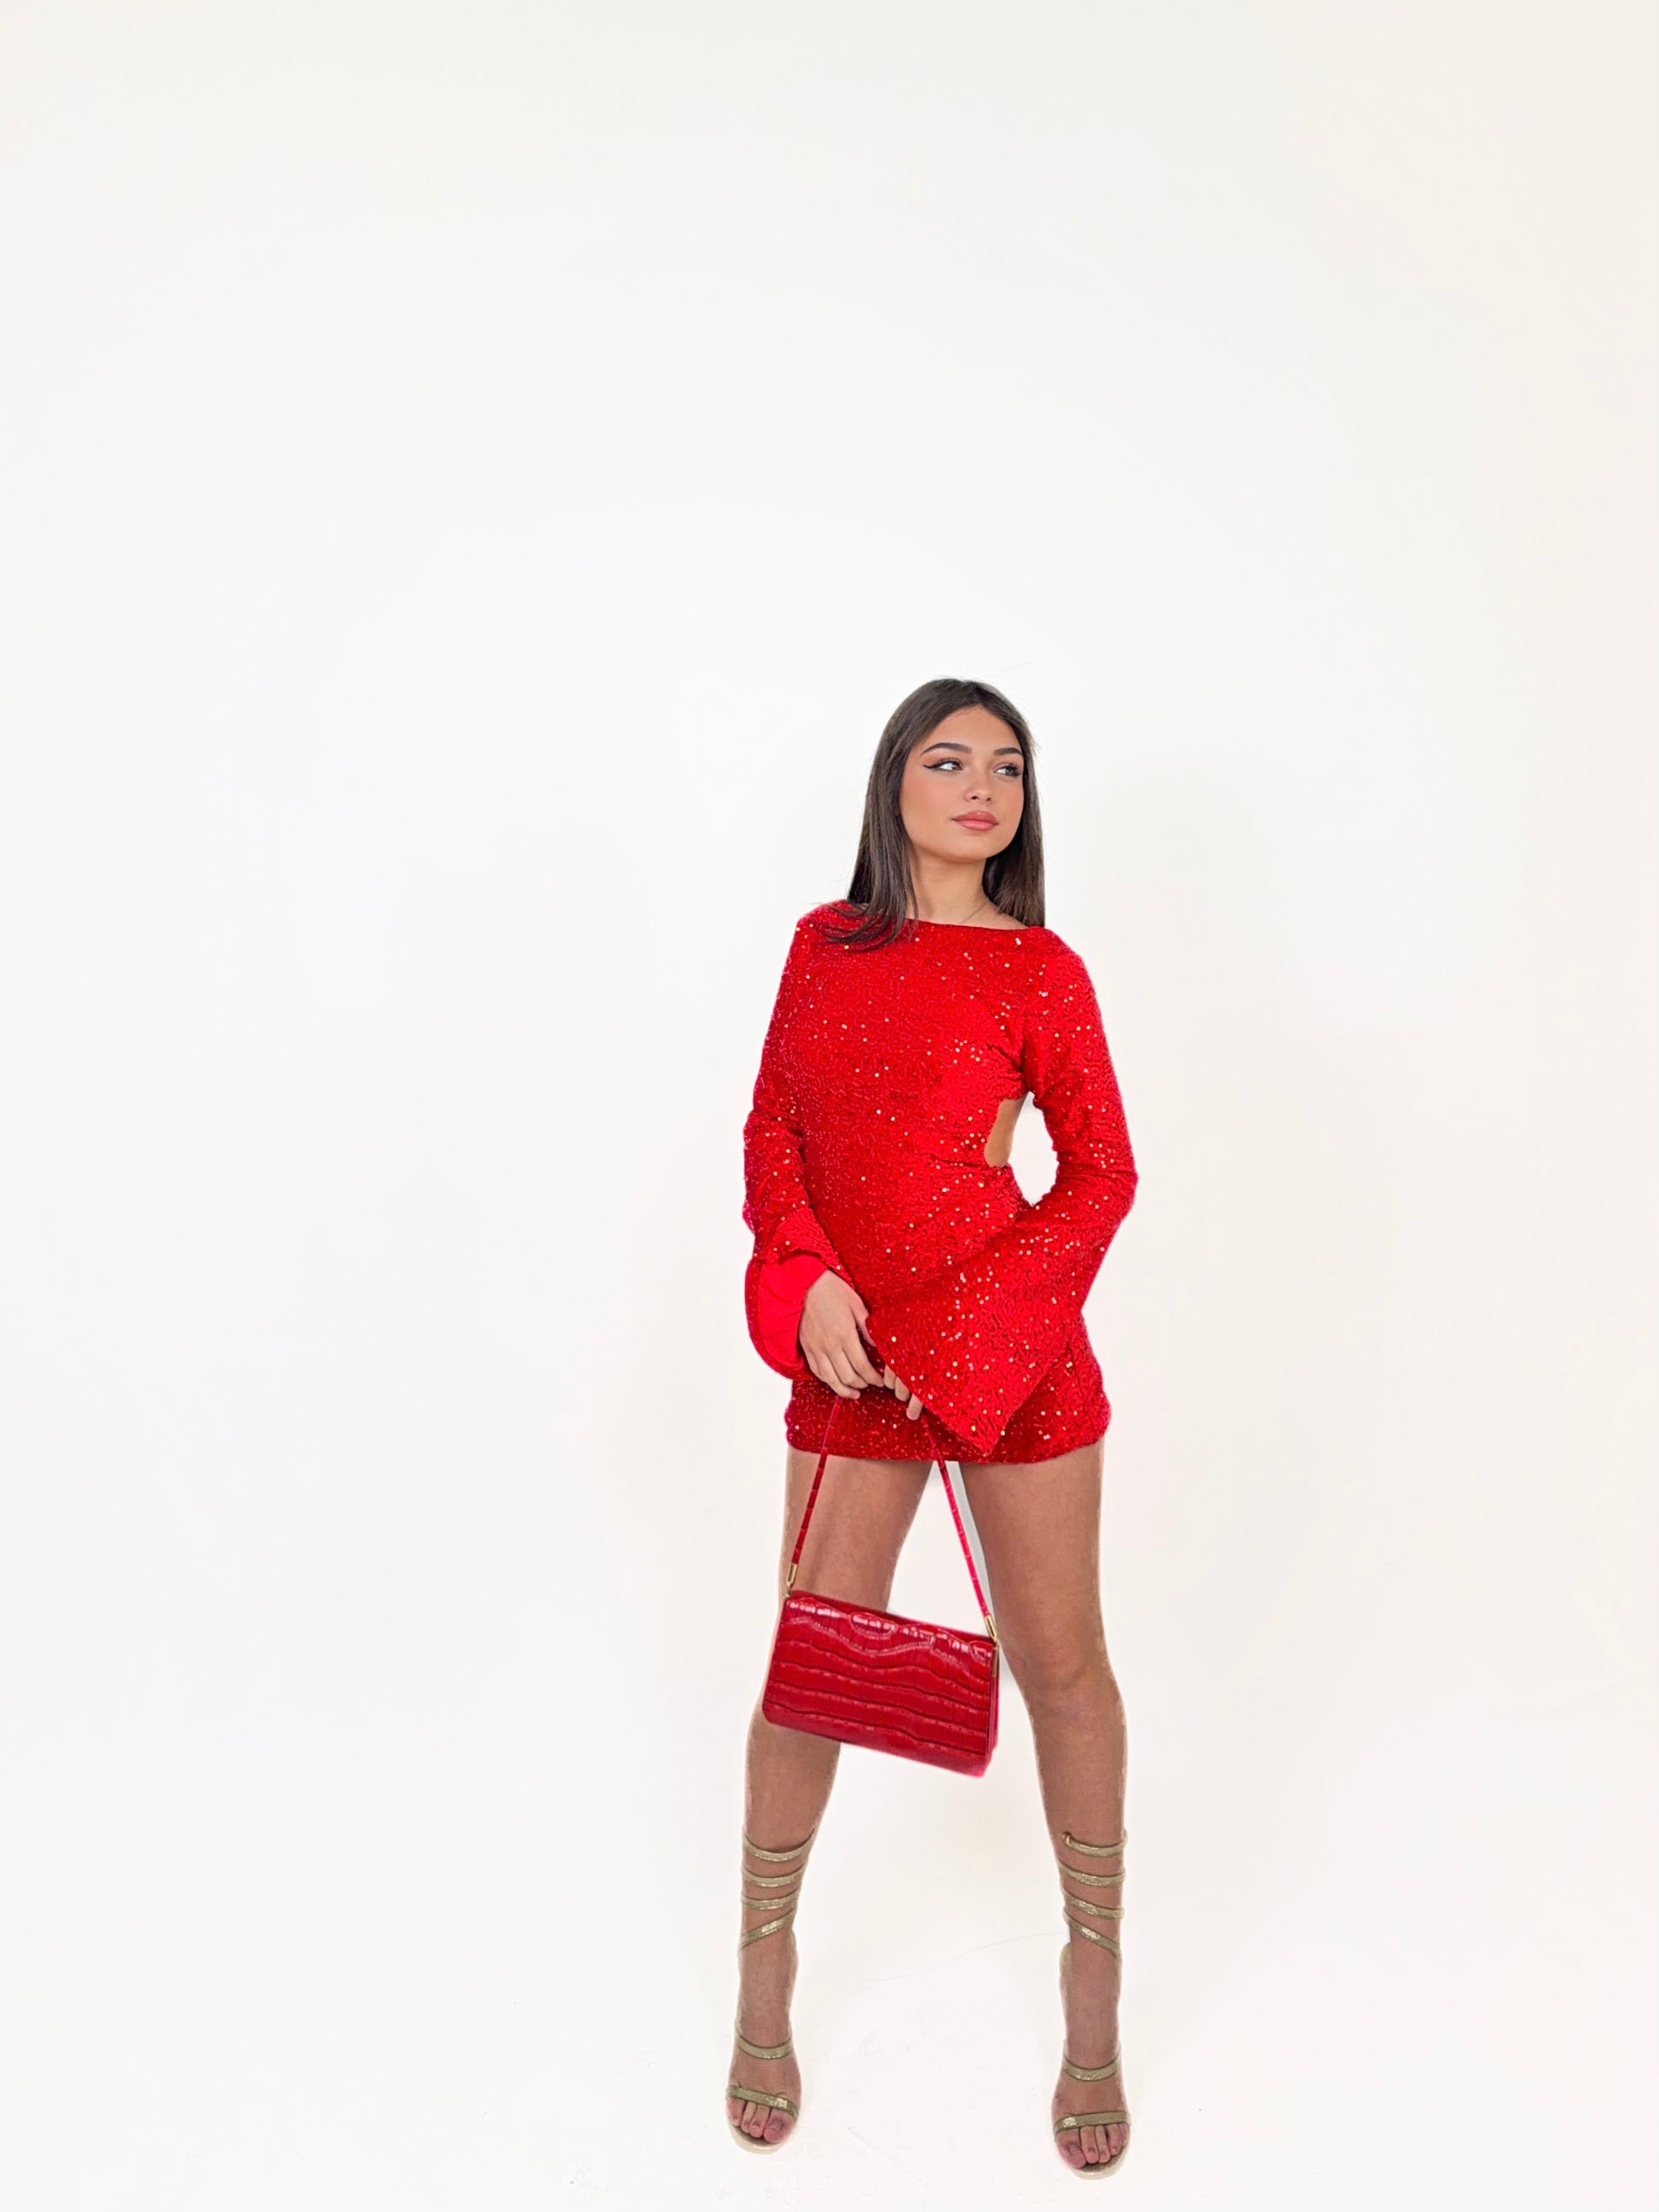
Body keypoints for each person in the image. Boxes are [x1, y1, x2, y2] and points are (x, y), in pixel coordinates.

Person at [726, 676, 1141, 2178]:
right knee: (811, 1661)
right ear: (891, 781)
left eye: (1007, 767)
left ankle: (1089, 1989)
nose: (982, 787)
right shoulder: (823, 946)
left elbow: (1100, 1172)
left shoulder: (1039, 967)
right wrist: (806, 1280)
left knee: (1062, 1665)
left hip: (1011, 1349)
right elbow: (773, 1129)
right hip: (851, 1352)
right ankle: (764, 1965)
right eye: (949, 759)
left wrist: (960, 1342)